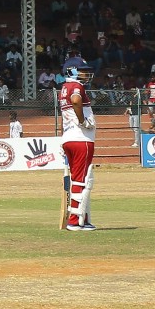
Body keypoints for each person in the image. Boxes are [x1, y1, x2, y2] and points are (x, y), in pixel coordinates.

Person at [59, 59, 97, 231]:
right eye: (82, 71)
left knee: (78, 179)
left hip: (69, 138)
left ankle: (83, 218)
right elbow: (76, 100)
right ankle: (74, 220)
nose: (86, 74)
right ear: (72, 71)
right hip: (81, 139)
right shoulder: (76, 86)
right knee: (82, 180)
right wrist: (83, 120)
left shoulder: (63, 88)